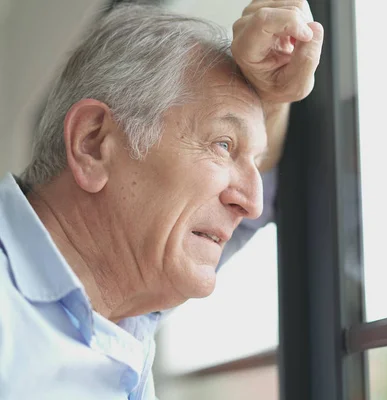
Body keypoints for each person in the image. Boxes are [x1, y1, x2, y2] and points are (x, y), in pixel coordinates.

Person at [0, 2, 323, 399]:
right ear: (94, 143)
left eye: (252, 160)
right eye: (223, 144)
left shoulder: (124, 299)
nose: (252, 203)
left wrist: (274, 95)